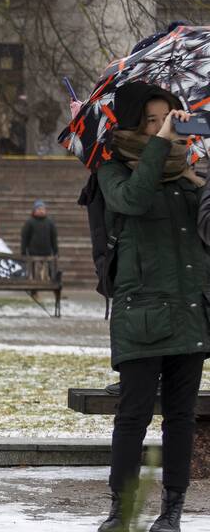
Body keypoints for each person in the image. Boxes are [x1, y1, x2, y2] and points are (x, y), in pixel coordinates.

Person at [95, 81, 209, 532]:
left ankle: (173, 511)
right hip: (141, 314)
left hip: (190, 312)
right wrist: (162, 146)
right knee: (133, 416)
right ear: (132, 123)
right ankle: (122, 509)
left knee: (181, 418)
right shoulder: (112, 171)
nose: (165, 126)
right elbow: (133, 201)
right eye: (152, 119)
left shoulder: (193, 171)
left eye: (171, 117)